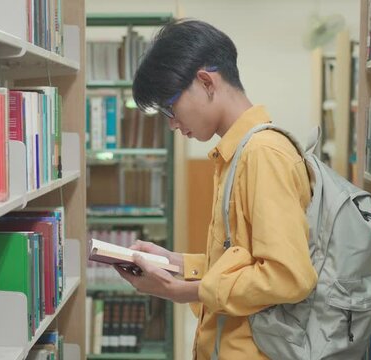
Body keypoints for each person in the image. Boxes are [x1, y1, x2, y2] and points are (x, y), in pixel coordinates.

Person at [113, 19, 318, 359]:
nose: (172, 123)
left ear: (206, 82)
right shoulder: (237, 154)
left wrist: (186, 291)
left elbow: (288, 276)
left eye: (170, 106)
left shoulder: (262, 153)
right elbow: (244, 261)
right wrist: (176, 263)